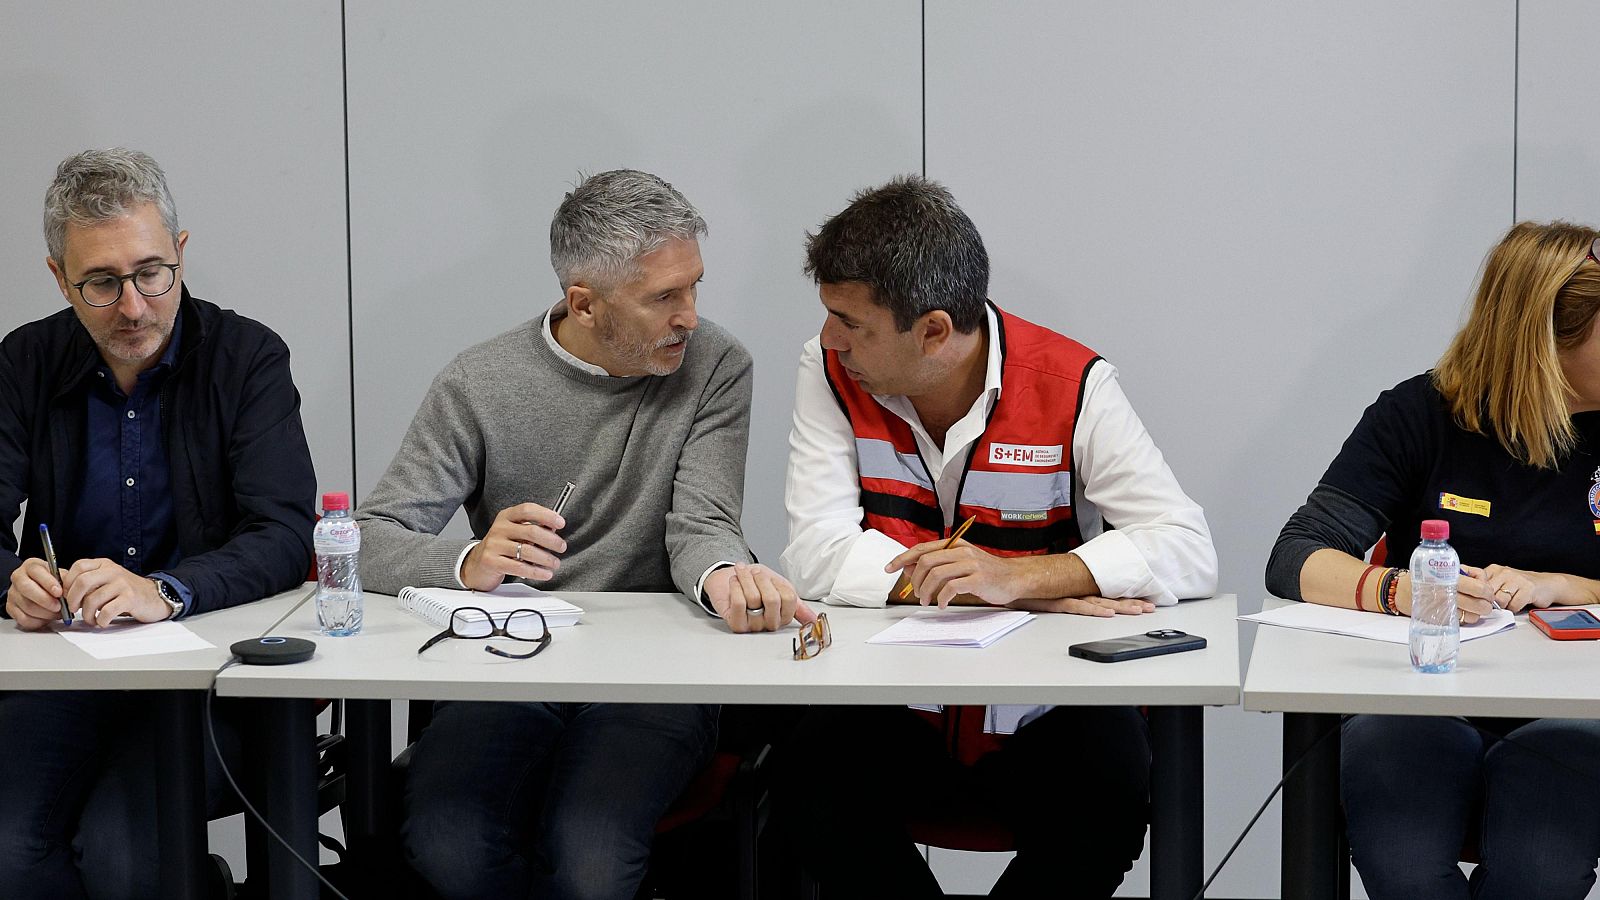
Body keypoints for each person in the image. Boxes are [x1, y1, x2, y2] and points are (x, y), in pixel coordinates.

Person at [356, 169, 806, 899]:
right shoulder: (480, 382)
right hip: (507, 667)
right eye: (665, 297)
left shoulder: (716, 367)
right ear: (584, 304)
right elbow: (368, 537)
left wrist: (723, 571)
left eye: (694, 287)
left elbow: (702, 522)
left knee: (590, 858)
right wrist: (469, 560)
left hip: (653, 678)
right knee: (450, 845)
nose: (690, 316)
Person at [777, 175, 1217, 898]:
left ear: (935, 331)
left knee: (1112, 787)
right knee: (808, 776)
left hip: (1046, 723)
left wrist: (1020, 579)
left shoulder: (1073, 381)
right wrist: (998, 592)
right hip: (896, 712)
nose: (831, 338)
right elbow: (816, 551)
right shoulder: (827, 370)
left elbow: (1187, 544)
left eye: (851, 322)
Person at [0, 148, 317, 899]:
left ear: (179, 252)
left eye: (150, 273)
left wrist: (166, 590)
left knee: (124, 854)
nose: (134, 307)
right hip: (65, 674)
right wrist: (13, 582)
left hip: (207, 682)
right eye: (101, 284)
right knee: (9, 847)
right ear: (57, 278)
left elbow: (281, 533)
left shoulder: (247, 358)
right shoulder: (24, 363)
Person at [1266, 221, 1600, 899]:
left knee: (1539, 874)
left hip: (1573, 715)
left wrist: (1562, 585)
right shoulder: (1421, 414)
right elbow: (1295, 557)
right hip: (1418, 703)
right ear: (1545, 338)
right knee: (1408, 871)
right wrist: (1404, 591)